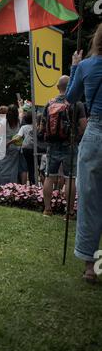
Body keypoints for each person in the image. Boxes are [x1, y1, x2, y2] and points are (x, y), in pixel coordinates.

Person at [66, 23, 102, 283]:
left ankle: (90, 266)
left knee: (89, 201)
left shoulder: (88, 66)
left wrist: (75, 66)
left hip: (95, 133)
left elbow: (70, 97)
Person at [41, 75, 86, 218]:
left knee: (49, 177)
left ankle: (47, 210)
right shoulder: (77, 104)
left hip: (52, 146)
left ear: (57, 87)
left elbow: (42, 126)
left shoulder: (49, 103)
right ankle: (69, 212)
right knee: (70, 178)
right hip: (70, 145)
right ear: (71, 86)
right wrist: (76, 138)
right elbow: (83, 126)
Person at [0, 104, 20, 186]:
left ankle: (6, 186)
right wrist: (12, 142)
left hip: (10, 148)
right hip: (10, 148)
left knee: (6, 168)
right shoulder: (16, 122)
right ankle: (8, 186)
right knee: (9, 169)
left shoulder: (8, 122)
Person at [7, 111, 35, 184]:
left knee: (24, 168)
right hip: (34, 149)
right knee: (32, 167)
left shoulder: (23, 127)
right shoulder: (36, 126)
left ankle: (23, 185)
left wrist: (9, 143)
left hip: (25, 148)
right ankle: (33, 184)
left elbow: (18, 137)